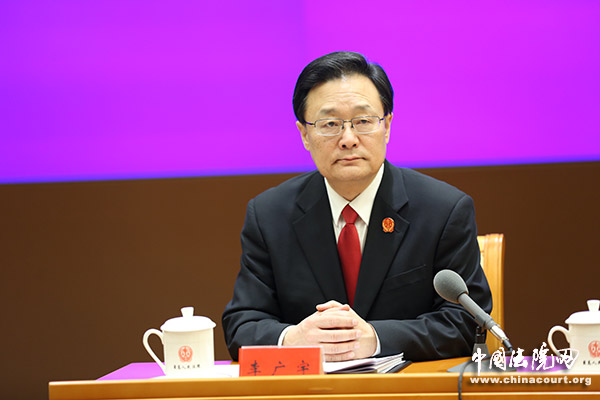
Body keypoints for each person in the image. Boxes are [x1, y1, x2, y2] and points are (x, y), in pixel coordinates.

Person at [222, 51, 492, 362]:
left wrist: (375, 339)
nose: (348, 139)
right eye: (330, 124)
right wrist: (293, 338)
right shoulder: (270, 215)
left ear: (387, 126)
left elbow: (467, 322)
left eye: (363, 121)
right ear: (304, 135)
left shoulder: (443, 210)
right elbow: (242, 325)